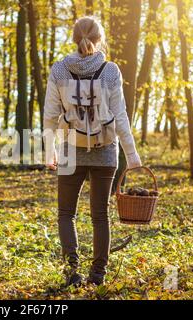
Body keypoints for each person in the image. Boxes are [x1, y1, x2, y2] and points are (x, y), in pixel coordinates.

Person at [43, 16, 142, 287]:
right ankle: (98, 274)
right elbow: (120, 115)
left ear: (75, 38)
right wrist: (131, 155)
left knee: (66, 213)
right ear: (100, 40)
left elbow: (50, 115)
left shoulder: (59, 70)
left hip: (69, 149)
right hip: (105, 149)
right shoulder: (110, 70)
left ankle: (71, 271)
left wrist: (48, 151)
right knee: (100, 215)